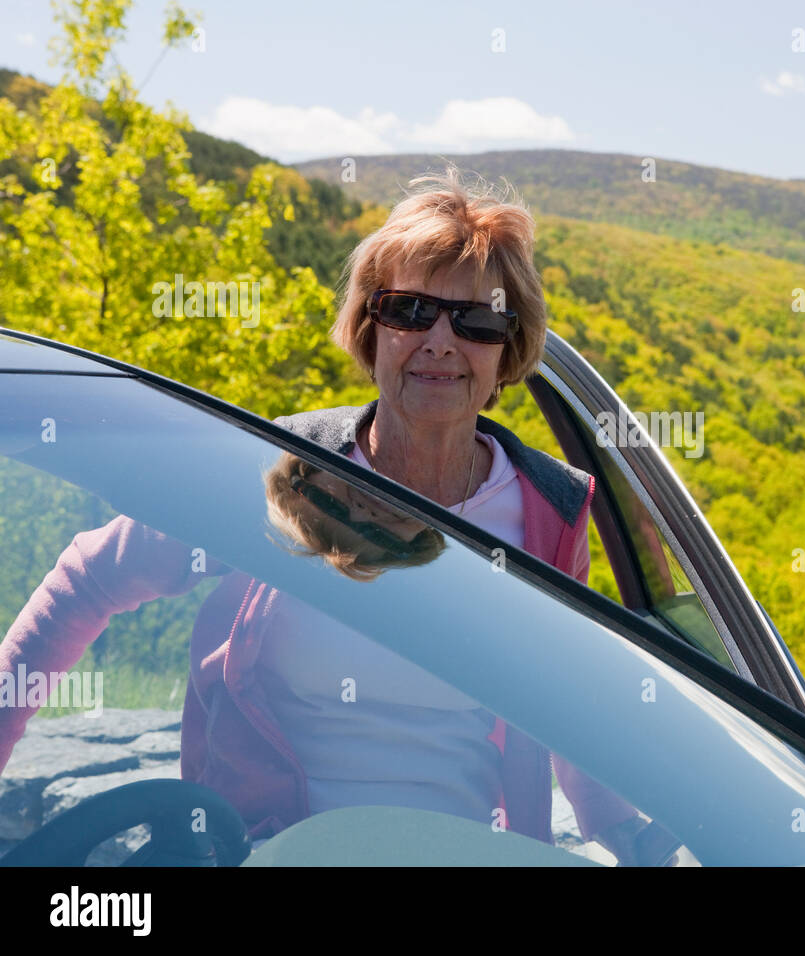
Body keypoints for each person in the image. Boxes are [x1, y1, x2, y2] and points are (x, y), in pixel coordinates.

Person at [0, 167, 656, 863]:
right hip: (282, 853)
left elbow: (563, 690)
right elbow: (88, 580)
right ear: (371, 327)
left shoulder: (548, 506)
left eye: (478, 320)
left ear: (509, 348)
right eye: (408, 310)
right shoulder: (284, 467)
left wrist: (625, 835)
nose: (439, 341)